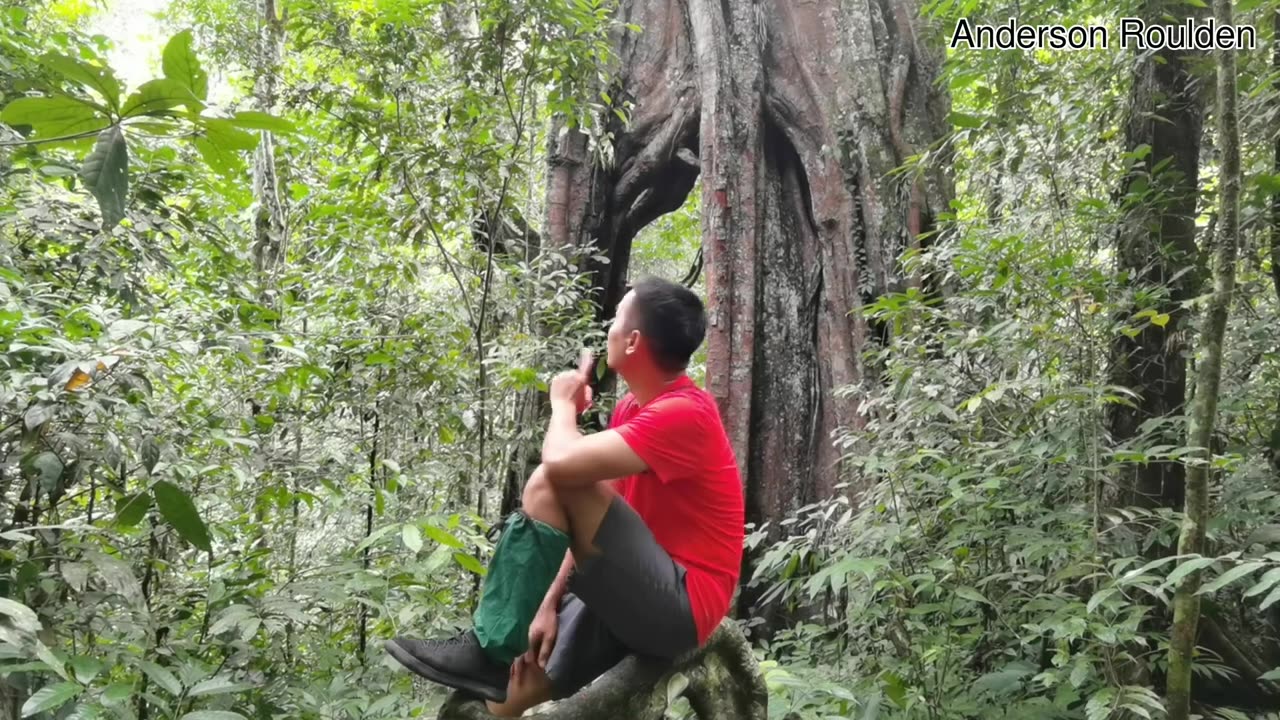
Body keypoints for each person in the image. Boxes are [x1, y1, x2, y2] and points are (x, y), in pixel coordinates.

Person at [385, 276, 744, 717]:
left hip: (682, 607)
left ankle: (485, 648)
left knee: (548, 481)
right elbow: (593, 518)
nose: (608, 328)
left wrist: (562, 405)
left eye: (616, 320)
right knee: (510, 685)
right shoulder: (634, 407)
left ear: (632, 341)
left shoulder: (685, 414)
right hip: (634, 588)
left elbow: (559, 468)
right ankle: (489, 659)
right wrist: (548, 602)